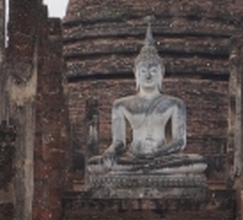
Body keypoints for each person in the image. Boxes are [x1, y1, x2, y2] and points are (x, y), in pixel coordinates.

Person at [88, 24, 205, 175]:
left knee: (199, 162)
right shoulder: (121, 105)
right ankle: (146, 170)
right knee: (94, 164)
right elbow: (120, 142)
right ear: (135, 73)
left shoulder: (175, 104)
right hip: (133, 157)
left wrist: (156, 154)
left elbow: (180, 142)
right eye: (143, 71)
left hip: (163, 157)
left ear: (161, 72)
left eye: (153, 71)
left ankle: (143, 170)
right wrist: (110, 151)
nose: (148, 76)